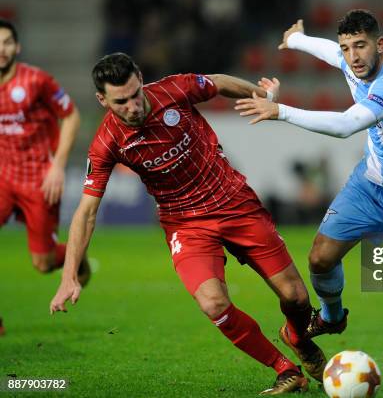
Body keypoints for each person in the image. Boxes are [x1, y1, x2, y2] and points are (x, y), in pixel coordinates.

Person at [48, 53, 326, 395]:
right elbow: (87, 211)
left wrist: (262, 94)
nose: (134, 105)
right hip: (185, 224)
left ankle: (297, 336)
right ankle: (284, 369)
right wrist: (68, 275)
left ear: (140, 77)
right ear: (102, 100)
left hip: (234, 203)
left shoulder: (172, 90)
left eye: (136, 93)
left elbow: (219, 82)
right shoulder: (107, 142)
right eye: (121, 101)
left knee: (296, 298)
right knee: (213, 303)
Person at [235, 10, 383, 391]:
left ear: (380, 45)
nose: (352, 56)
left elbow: (345, 125)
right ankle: (333, 318)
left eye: (361, 46)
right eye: (347, 47)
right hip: (372, 181)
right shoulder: (353, 61)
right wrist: (297, 40)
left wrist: (281, 111)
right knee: (320, 257)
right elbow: (329, 53)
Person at [0, 19, 89, 336]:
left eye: (7, 42)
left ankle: (75, 256)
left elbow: (71, 115)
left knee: (42, 263)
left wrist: (58, 165)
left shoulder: (36, 80)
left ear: (17, 47)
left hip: (37, 178)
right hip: (2, 176)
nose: (1, 48)